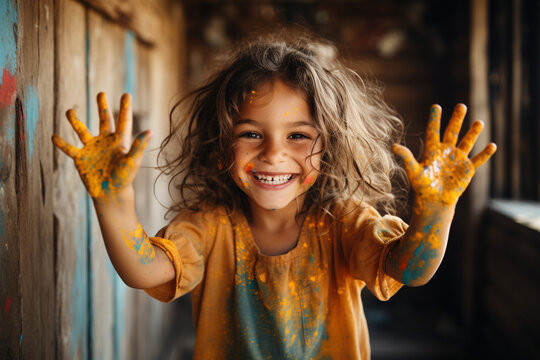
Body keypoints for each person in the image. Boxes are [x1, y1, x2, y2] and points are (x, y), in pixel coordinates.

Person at [52, 33, 496, 359]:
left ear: (332, 145)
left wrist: (437, 211)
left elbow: (410, 269)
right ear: (220, 142)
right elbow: (144, 270)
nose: (273, 154)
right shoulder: (208, 226)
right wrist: (114, 205)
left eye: (299, 135)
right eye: (250, 133)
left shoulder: (345, 221)